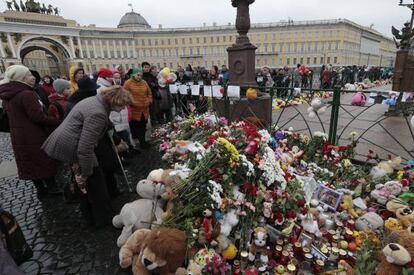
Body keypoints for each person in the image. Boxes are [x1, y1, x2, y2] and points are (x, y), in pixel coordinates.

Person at [42, 86, 131, 227]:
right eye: (123, 105)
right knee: (95, 184)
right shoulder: (98, 113)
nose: (124, 108)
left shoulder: (95, 101)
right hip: (74, 147)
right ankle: (103, 219)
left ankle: (91, 217)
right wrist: (86, 172)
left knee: (87, 185)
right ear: (114, 101)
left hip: (72, 144)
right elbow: (85, 148)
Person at [0, 65, 61, 199]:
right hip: (34, 134)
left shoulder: (9, 94)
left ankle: (41, 190)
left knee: (29, 161)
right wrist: (57, 122)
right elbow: (38, 117)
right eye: (28, 74)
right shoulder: (26, 94)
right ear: (21, 78)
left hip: (19, 135)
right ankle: (53, 188)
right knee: (42, 159)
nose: (32, 77)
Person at [123, 67, 152, 149]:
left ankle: (143, 141)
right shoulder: (128, 83)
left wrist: (149, 101)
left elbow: (149, 93)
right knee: (137, 127)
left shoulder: (144, 82)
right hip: (134, 110)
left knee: (143, 125)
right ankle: (140, 142)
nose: (139, 77)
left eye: (141, 75)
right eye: (138, 75)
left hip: (145, 109)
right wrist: (133, 103)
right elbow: (125, 95)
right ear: (133, 74)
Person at [142, 61, 161, 126]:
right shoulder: (141, 76)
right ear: (142, 68)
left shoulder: (151, 76)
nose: (146, 68)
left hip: (152, 95)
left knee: (153, 111)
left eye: (148, 67)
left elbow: (156, 84)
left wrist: (154, 85)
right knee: (145, 112)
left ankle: (154, 124)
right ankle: (144, 125)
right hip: (143, 97)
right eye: (145, 67)